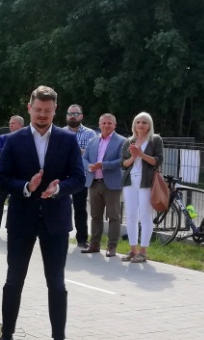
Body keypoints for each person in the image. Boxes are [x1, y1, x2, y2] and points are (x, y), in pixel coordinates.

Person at [0, 86, 85, 340]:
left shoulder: (68, 140)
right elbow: (0, 178)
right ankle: (6, 335)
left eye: (48, 110)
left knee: (56, 282)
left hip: (56, 220)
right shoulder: (14, 140)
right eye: (38, 110)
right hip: (22, 219)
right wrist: (26, 187)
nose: (42, 115)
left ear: (55, 110)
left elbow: (79, 178)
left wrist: (59, 188)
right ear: (29, 108)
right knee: (13, 280)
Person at [121, 112, 164, 264]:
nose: (140, 124)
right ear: (134, 125)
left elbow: (157, 161)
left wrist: (141, 154)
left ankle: (143, 252)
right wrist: (133, 157)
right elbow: (123, 163)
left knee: (145, 216)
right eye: (138, 122)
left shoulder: (155, 140)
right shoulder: (129, 141)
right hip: (130, 181)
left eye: (144, 122)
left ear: (149, 125)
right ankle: (133, 250)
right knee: (131, 216)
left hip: (146, 181)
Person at [81, 114, 125, 257]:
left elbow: (121, 161)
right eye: (104, 123)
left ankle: (112, 247)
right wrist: (89, 166)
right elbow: (84, 158)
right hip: (94, 182)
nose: (106, 125)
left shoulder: (122, 141)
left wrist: (103, 165)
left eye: (109, 123)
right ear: (99, 124)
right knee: (95, 216)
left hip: (111, 185)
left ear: (114, 125)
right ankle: (94, 245)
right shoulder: (93, 141)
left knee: (114, 217)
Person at [64, 104, 97, 249]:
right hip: (63, 177)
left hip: (80, 176)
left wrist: (75, 150)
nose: (73, 116)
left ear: (81, 116)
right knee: (62, 207)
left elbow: (94, 154)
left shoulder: (90, 134)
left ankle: (82, 239)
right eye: (70, 114)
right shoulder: (60, 133)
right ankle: (61, 235)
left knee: (80, 209)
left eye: (76, 114)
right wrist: (80, 151)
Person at [0, 115, 24, 237]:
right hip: (5, 175)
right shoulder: (4, 137)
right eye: (9, 123)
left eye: (13, 123)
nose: (10, 125)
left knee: (18, 202)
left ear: (20, 125)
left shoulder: (26, 138)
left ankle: (16, 227)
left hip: (19, 175)